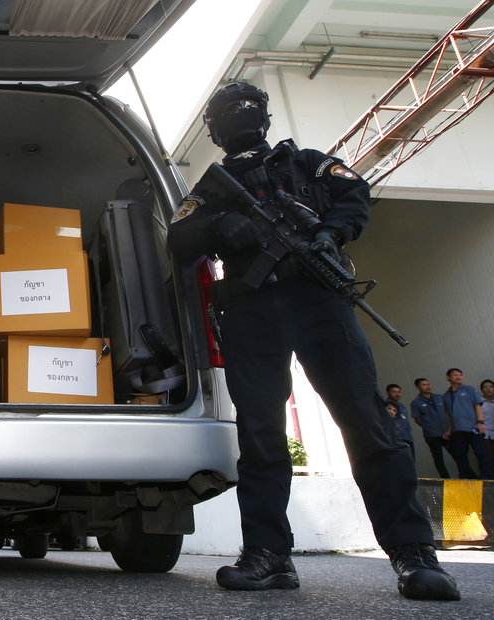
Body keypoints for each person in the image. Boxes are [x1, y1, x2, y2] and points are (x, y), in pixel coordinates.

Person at [167, 82, 459, 601]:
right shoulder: (210, 190)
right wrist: (221, 228)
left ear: (264, 116)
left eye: (248, 107)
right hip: (251, 308)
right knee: (260, 434)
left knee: (368, 424)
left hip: (319, 299)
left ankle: (413, 554)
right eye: (228, 110)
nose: (240, 116)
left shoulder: (306, 164)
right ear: (214, 126)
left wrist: (330, 234)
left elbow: (354, 195)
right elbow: (178, 238)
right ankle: (268, 555)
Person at [442, 368, 493, 479]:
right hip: (457, 430)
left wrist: (480, 422)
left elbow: (477, 406)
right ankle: (467, 476)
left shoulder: (469, 389)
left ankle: (487, 476)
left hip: (473, 427)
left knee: (481, 453)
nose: (458, 377)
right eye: (455, 375)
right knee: (460, 455)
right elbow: (448, 414)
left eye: (460, 375)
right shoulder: (446, 396)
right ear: (448, 378)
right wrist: (450, 430)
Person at [410, 378, 451, 478]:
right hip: (431, 435)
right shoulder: (416, 402)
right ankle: (446, 479)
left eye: (428, 384)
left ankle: (465, 475)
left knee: (457, 453)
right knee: (438, 458)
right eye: (424, 385)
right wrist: (429, 425)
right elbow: (418, 419)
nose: (427, 386)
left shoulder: (440, 397)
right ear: (417, 387)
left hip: (446, 432)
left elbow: (447, 413)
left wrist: (449, 429)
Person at [482, 379, 494, 466]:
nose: (488, 389)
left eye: (490, 387)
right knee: (487, 458)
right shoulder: (478, 402)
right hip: (484, 434)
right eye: (485, 387)